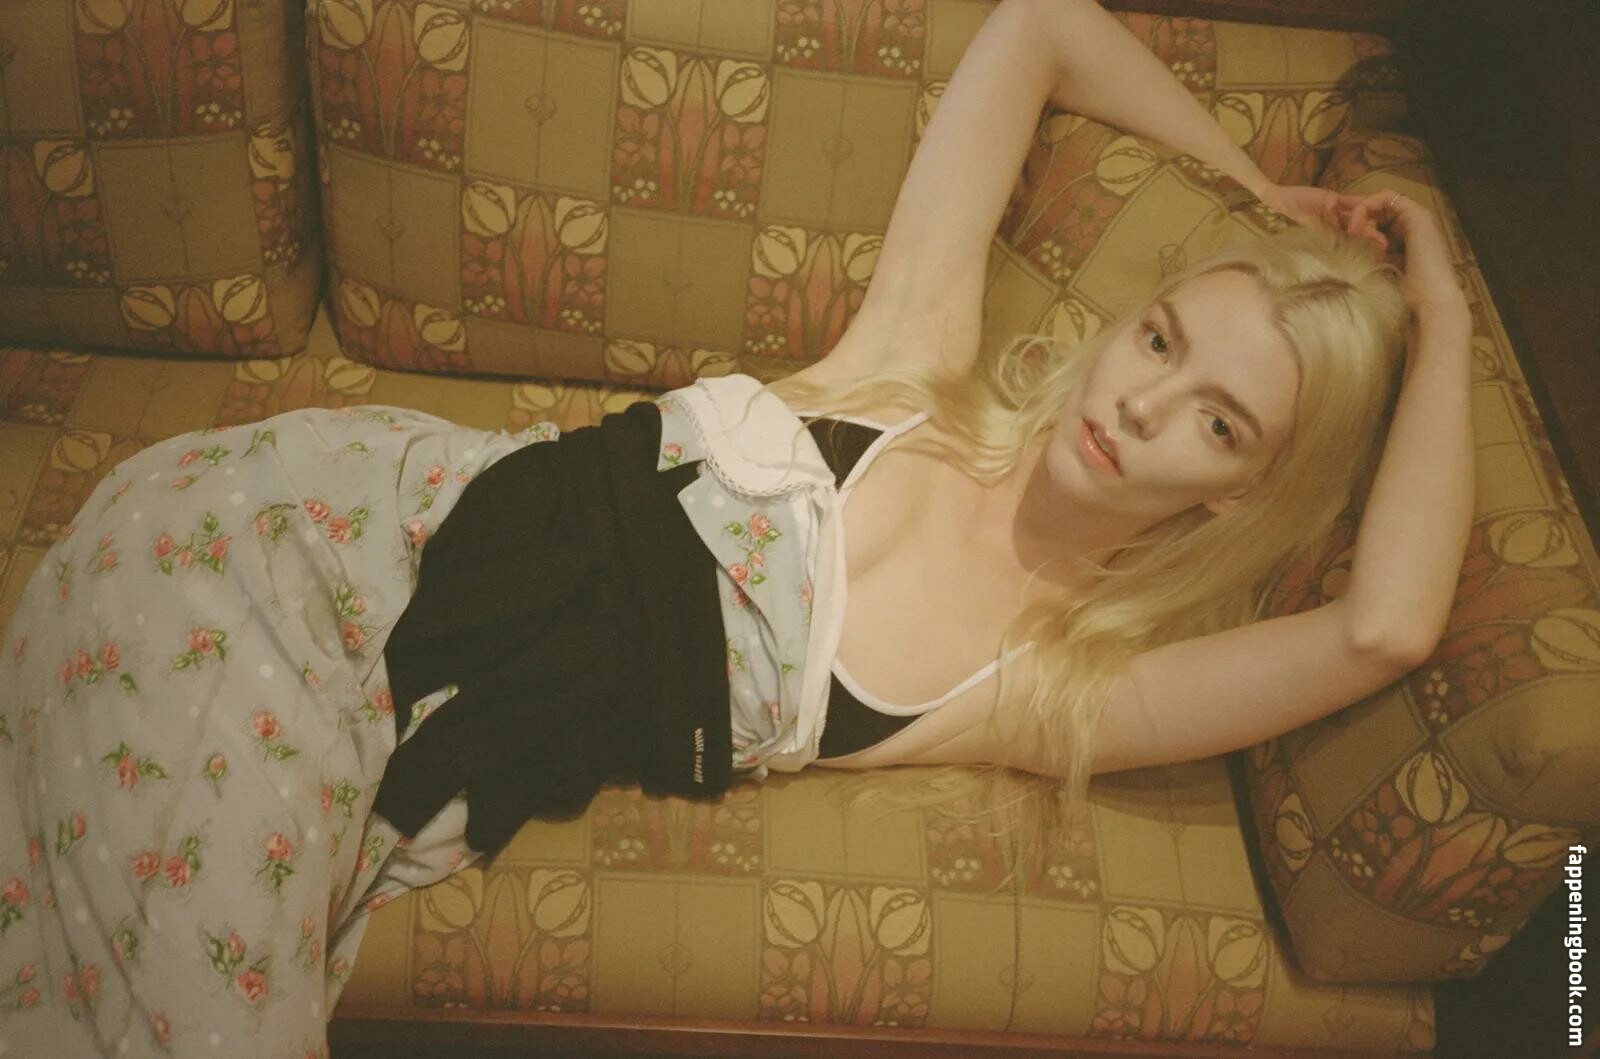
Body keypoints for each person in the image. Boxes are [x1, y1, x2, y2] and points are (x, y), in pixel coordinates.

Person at [0, 0, 1474, 1054]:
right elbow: (1041, 25)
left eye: (1219, 423)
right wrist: (1259, 194)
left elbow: (1386, 625)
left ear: (1236, 492)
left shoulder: (1044, 686)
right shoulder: (906, 372)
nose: (1144, 405)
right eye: (1160, 339)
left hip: (391, 710)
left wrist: (1448, 319)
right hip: (311, 528)